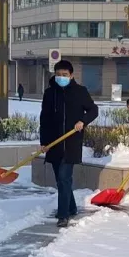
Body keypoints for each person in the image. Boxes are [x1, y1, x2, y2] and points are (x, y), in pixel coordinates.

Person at [40, 60, 98, 228]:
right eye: (58, 75)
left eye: (65, 75)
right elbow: (44, 119)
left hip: (71, 142)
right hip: (54, 143)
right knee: (61, 180)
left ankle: (63, 214)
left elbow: (94, 110)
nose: (61, 78)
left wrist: (83, 121)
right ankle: (71, 207)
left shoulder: (80, 92)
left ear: (71, 75)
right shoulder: (50, 93)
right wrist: (44, 142)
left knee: (64, 178)